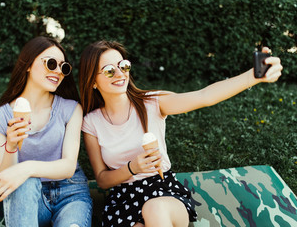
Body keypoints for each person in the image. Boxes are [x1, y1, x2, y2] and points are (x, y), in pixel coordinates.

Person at [78, 40, 283, 226]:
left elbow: (204, 96)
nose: (120, 73)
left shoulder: (152, 102)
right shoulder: (91, 123)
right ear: (93, 81)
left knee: (154, 209)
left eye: (123, 66)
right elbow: (102, 179)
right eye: (109, 71)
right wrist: (132, 168)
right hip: (123, 199)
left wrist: (253, 76)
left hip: (162, 189)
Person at [0, 36, 92, 227]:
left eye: (63, 67)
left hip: (71, 194)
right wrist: (11, 145)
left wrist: (26, 168)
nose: (58, 72)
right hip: (27, 197)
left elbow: (68, 166)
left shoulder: (70, 109)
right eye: (51, 63)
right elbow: (4, 177)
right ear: (28, 64)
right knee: (26, 183)